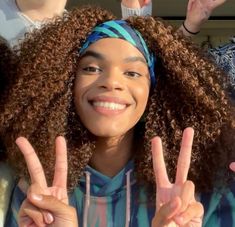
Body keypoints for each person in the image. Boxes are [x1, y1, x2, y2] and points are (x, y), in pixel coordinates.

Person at [1, 5, 235, 227]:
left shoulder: (201, 195)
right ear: (65, 85)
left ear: (154, 92)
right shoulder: (38, 193)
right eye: (91, 68)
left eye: (132, 72)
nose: (112, 82)